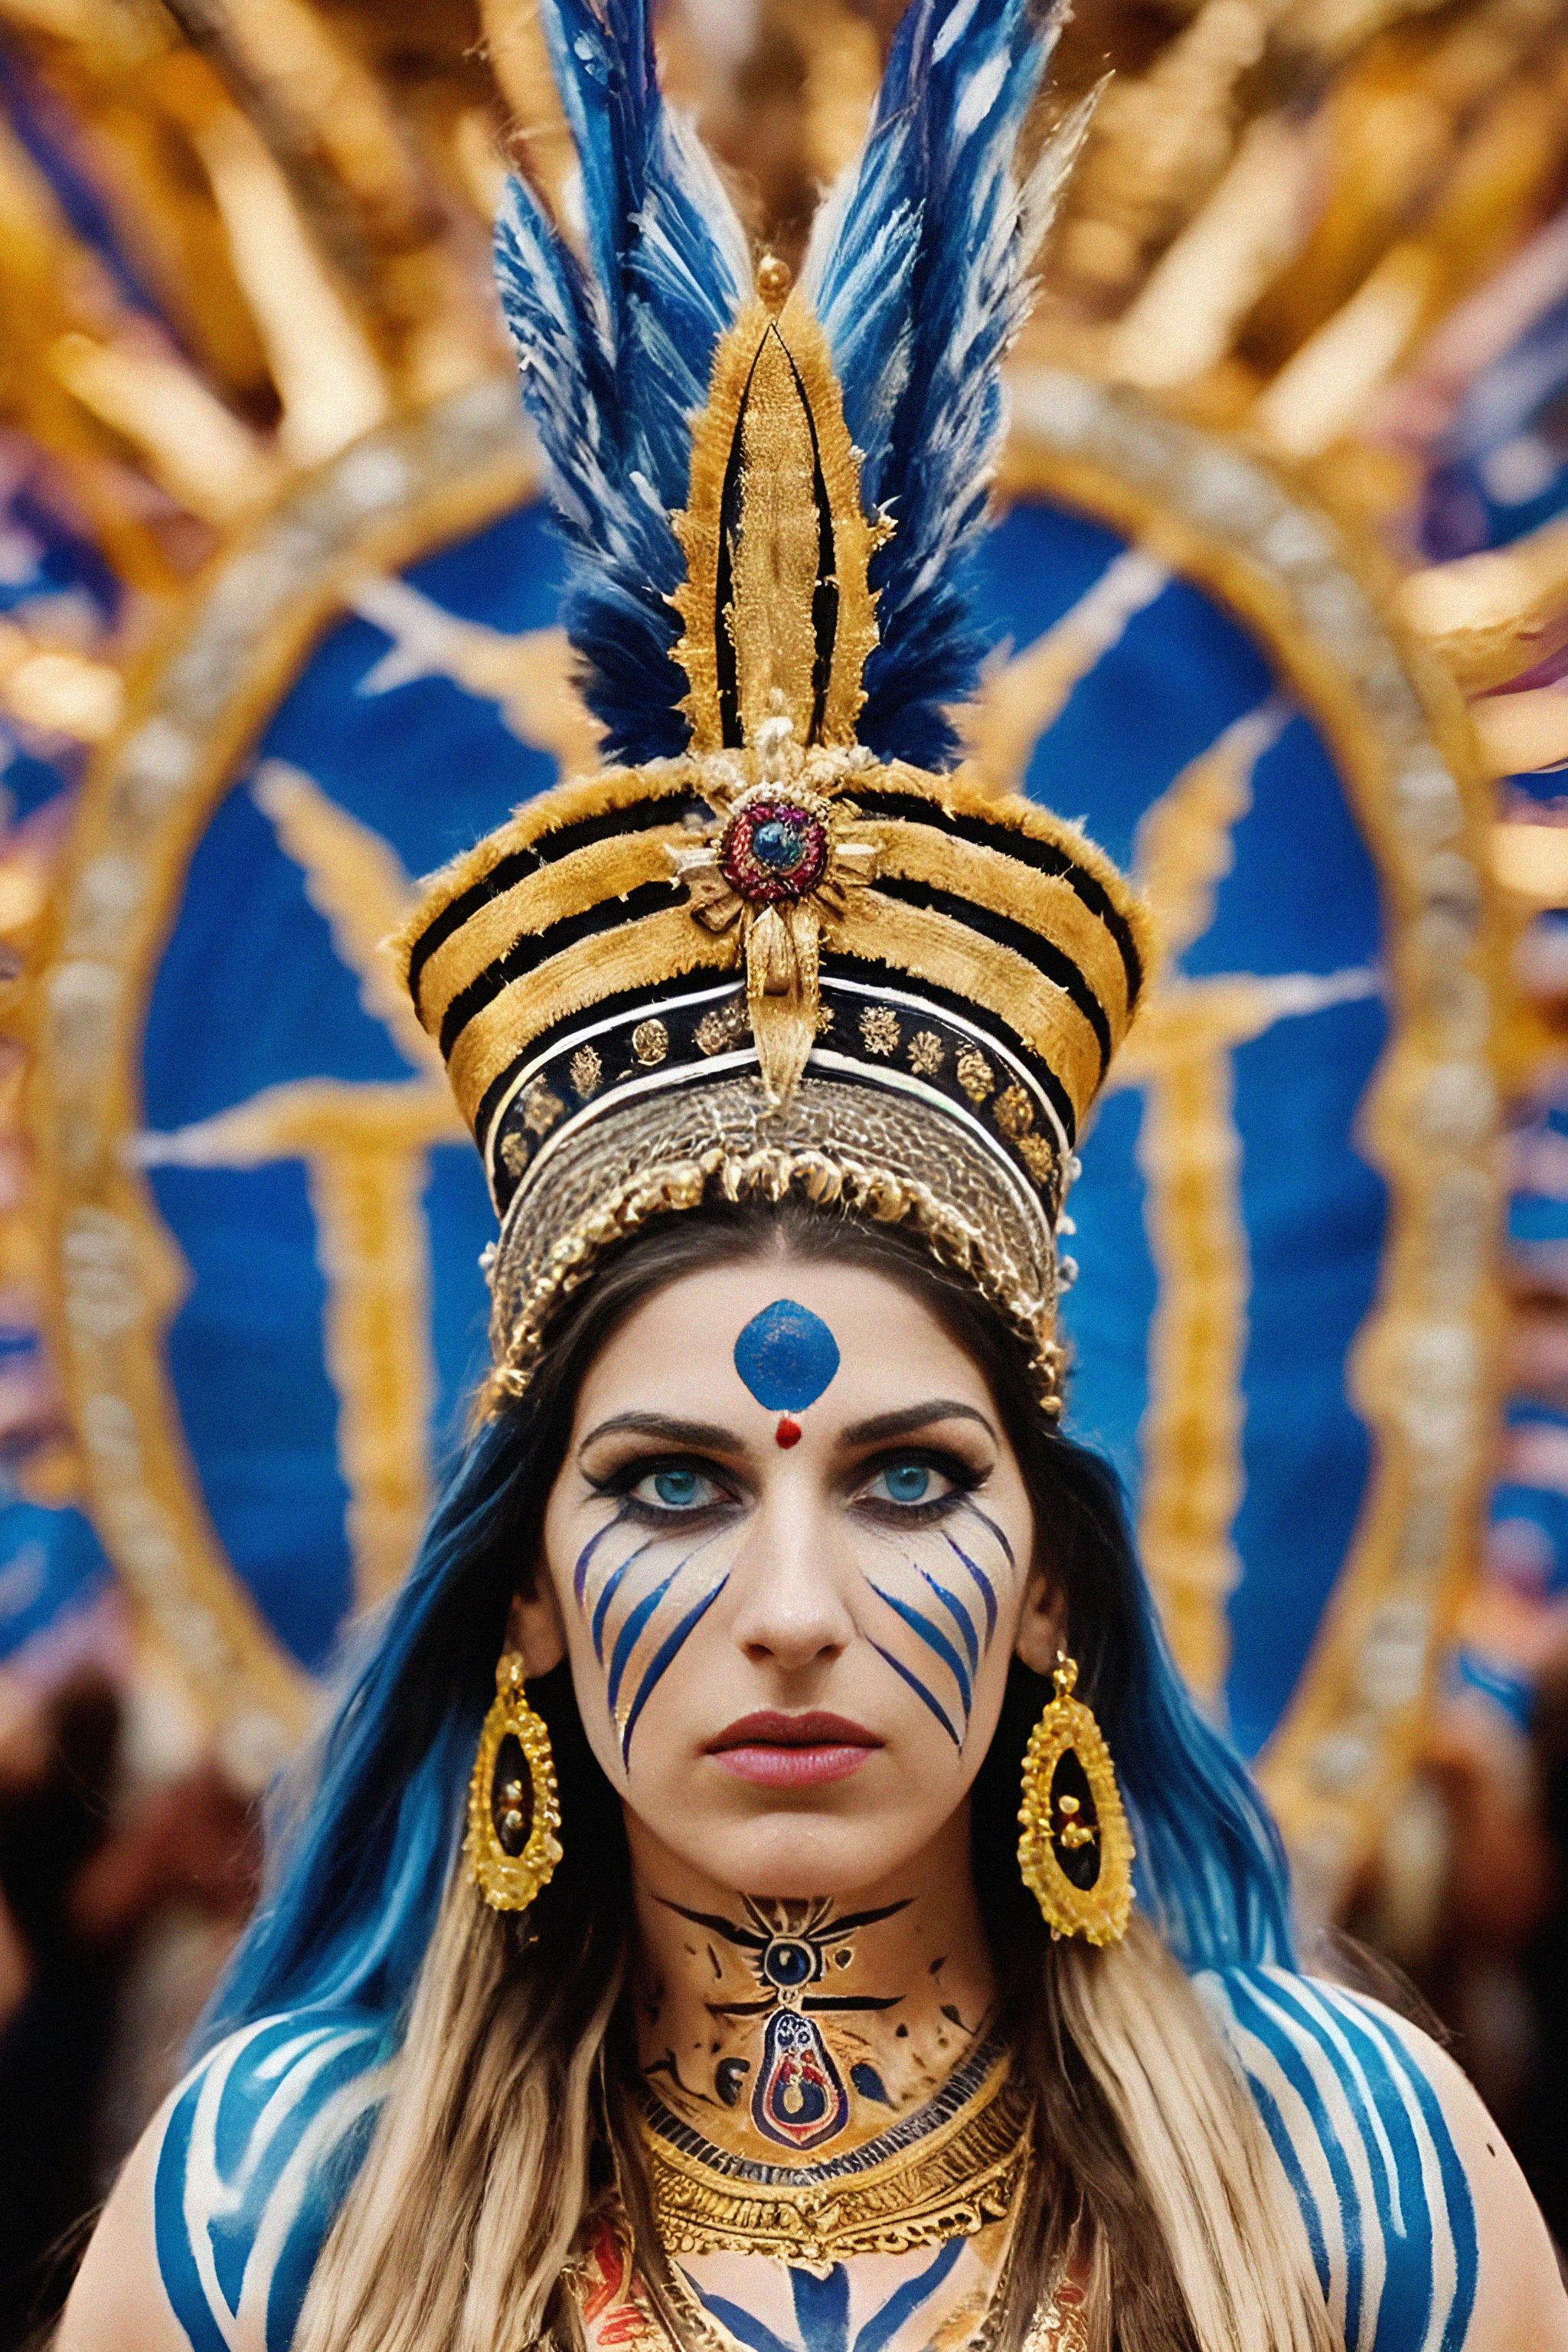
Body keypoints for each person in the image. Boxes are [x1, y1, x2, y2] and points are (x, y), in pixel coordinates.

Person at [57, 2, 1568, 2347]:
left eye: (903, 1479)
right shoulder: (278, 2216)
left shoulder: (1354, 2182)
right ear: (527, 1594)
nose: (788, 1603)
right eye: (667, 1486)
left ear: (1055, 1582)